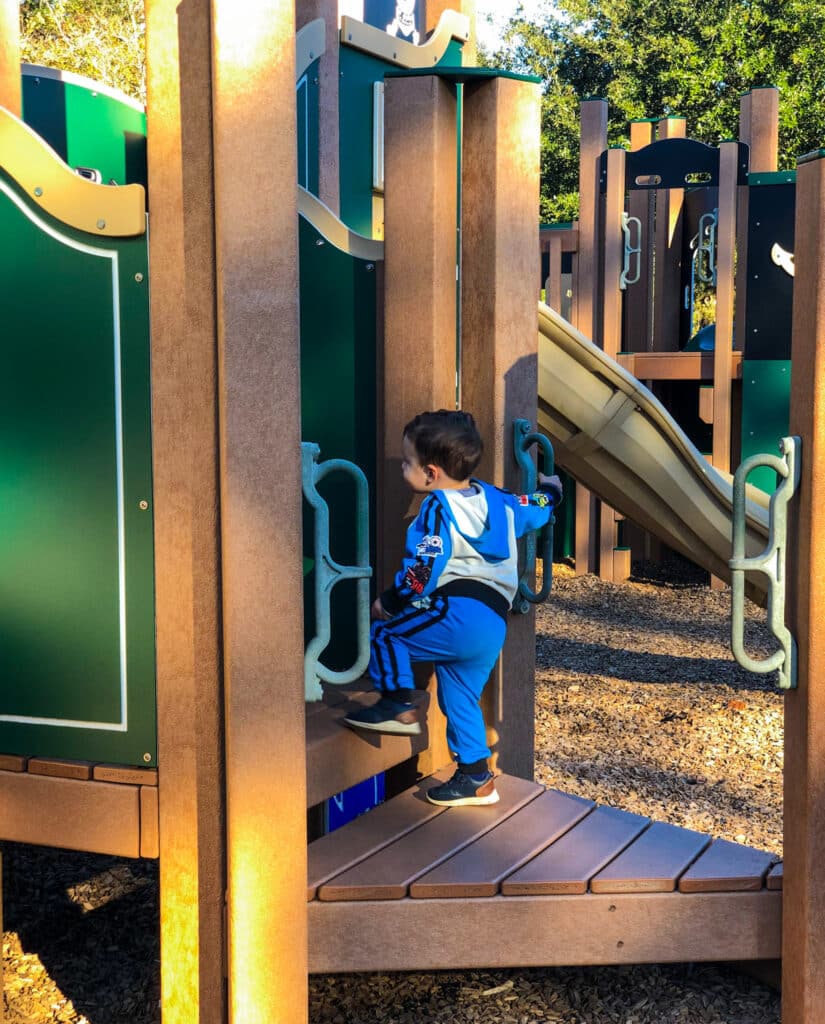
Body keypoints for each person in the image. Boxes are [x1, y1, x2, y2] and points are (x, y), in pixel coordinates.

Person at [344, 409, 562, 807]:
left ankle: (396, 704)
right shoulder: (498, 500)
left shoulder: (437, 508)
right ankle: (476, 777)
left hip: (458, 611)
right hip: (493, 623)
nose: (403, 469)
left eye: (407, 462)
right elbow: (535, 506)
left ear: (430, 474)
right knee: (459, 695)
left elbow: (426, 567)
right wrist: (552, 492)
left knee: (386, 633)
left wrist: (390, 601)